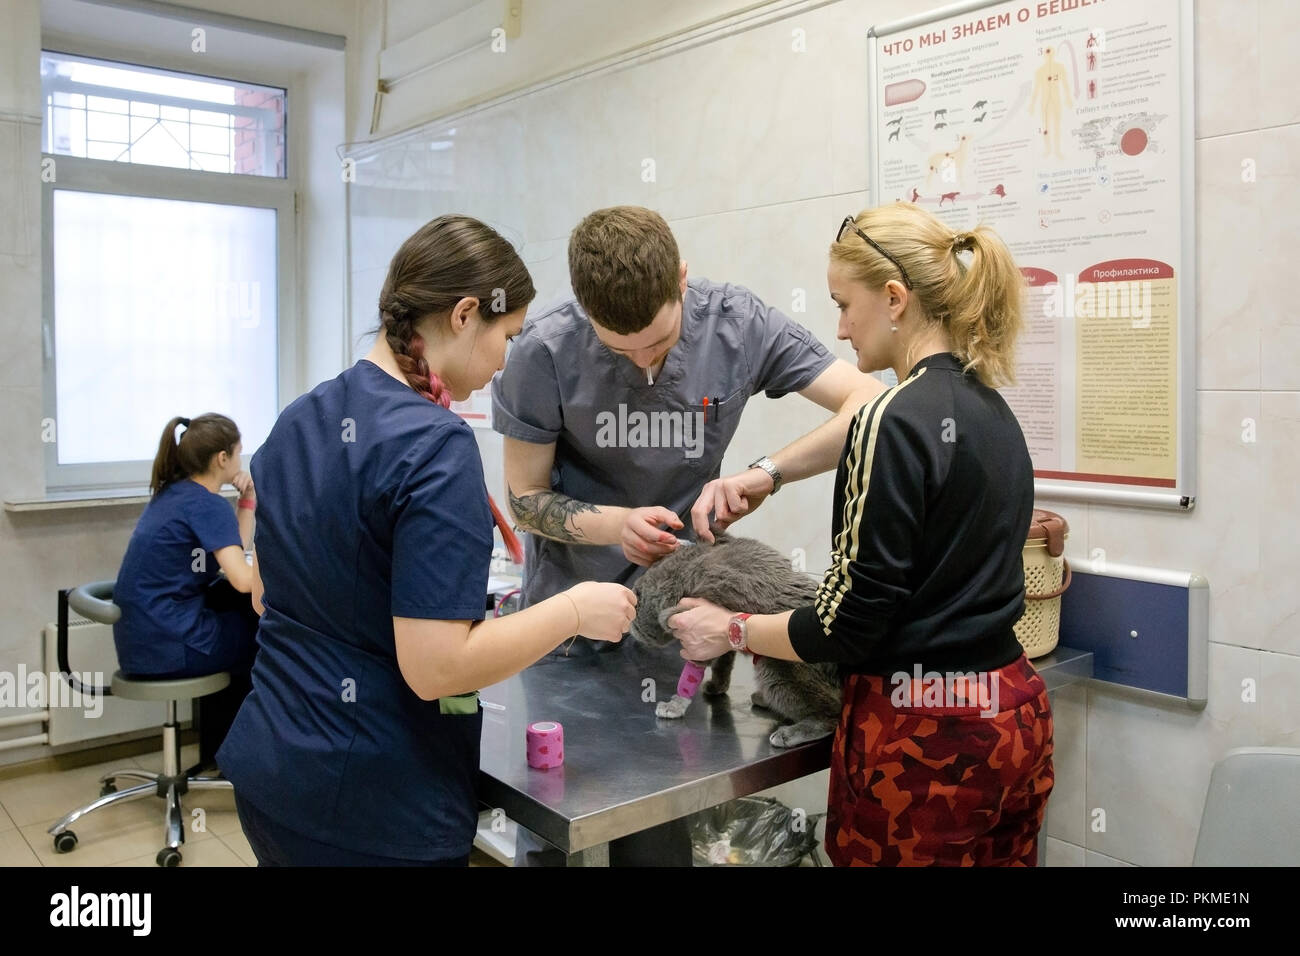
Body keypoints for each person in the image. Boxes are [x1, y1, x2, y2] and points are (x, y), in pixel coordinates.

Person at [215, 215, 635, 866]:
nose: (503, 365)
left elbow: (267, 597)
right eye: (508, 336)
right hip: (373, 808)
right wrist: (576, 609)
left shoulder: (300, 419)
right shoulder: (434, 447)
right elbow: (436, 667)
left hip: (274, 773)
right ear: (466, 314)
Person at [492, 205, 886, 865]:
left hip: (675, 625)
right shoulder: (543, 351)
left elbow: (869, 403)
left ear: (681, 279)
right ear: (586, 313)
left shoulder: (737, 324)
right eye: (623, 351)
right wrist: (615, 525)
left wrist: (765, 474)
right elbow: (524, 498)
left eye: (660, 343)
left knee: (658, 830)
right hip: (566, 628)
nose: (646, 365)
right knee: (553, 833)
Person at [669, 203, 1055, 866]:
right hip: (1011, 715)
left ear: (895, 299)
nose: (841, 327)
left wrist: (731, 628)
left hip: (924, 738)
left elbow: (847, 624)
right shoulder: (991, 408)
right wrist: (769, 474)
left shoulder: (891, 420)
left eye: (845, 305)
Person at [113, 413, 259, 769]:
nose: (242, 460)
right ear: (223, 459)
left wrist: (248, 499)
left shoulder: (174, 493)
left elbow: (233, 549)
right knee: (266, 638)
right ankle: (242, 764)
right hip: (171, 644)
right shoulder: (205, 504)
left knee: (236, 615)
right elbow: (242, 579)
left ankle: (217, 755)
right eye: (239, 453)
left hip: (141, 642)